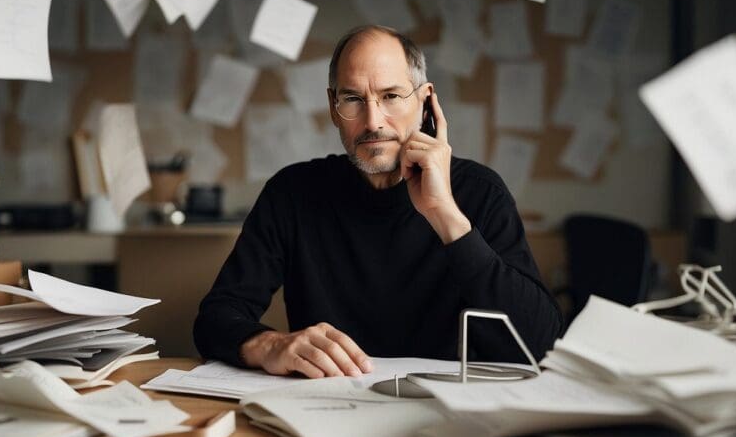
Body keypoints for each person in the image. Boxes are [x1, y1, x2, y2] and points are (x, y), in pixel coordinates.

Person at [194, 25, 562, 378]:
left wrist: (445, 214)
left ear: (425, 101)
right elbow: (216, 318)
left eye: (390, 96)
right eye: (353, 98)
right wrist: (271, 345)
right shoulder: (292, 193)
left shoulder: (481, 193)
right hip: (329, 409)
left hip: (447, 415)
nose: (373, 121)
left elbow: (540, 343)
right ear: (333, 106)